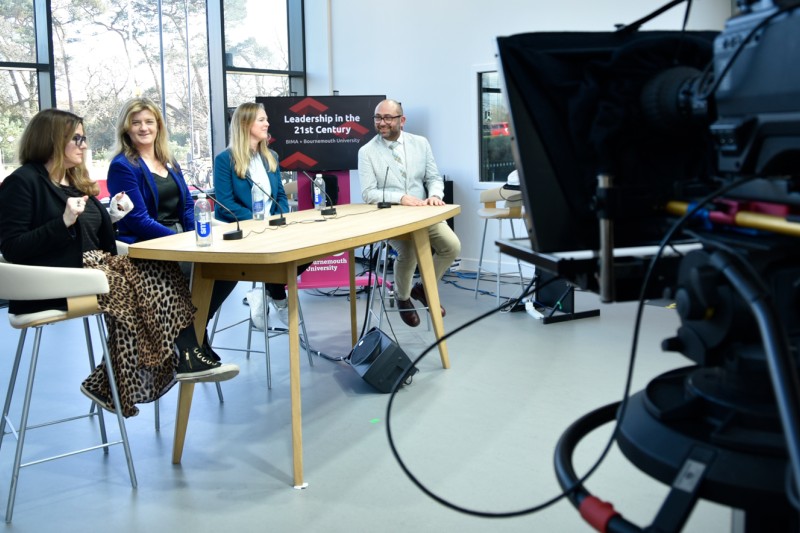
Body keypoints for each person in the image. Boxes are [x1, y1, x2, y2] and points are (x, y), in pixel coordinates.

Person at [0, 108, 239, 418]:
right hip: (52, 281)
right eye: (77, 138)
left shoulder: (73, 181)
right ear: (52, 140)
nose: (84, 145)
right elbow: (12, 248)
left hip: (94, 269)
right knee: (138, 283)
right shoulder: (23, 181)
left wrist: (111, 216)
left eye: (84, 138)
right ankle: (185, 355)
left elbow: (94, 241)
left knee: (155, 270)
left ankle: (176, 359)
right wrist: (62, 222)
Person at [106, 97, 237, 360]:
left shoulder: (168, 160)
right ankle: (190, 341)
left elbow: (187, 205)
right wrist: (181, 242)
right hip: (149, 243)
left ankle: (196, 330)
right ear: (126, 129)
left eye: (149, 122)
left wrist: (196, 236)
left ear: (158, 126)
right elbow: (137, 220)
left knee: (230, 268)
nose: (144, 128)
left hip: (180, 237)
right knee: (200, 270)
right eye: (136, 123)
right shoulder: (123, 166)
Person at [358, 99, 461, 327]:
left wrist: (435, 195)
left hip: (423, 213)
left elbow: (433, 177)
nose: (381, 123)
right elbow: (368, 193)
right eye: (377, 118)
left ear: (401, 120)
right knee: (410, 252)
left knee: (451, 246)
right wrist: (401, 198)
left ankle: (423, 288)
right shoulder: (366, 152)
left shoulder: (420, 143)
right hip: (391, 216)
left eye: (387, 118)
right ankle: (403, 297)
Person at [213, 101, 308, 326]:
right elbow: (225, 202)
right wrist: (258, 222)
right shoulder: (224, 160)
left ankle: (268, 291)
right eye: (262, 120)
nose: (267, 123)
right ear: (245, 124)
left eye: (266, 119)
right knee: (276, 253)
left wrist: (279, 218)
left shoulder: (270, 156)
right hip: (244, 230)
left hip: (272, 227)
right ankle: (278, 296)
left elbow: (281, 197)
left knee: (309, 248)